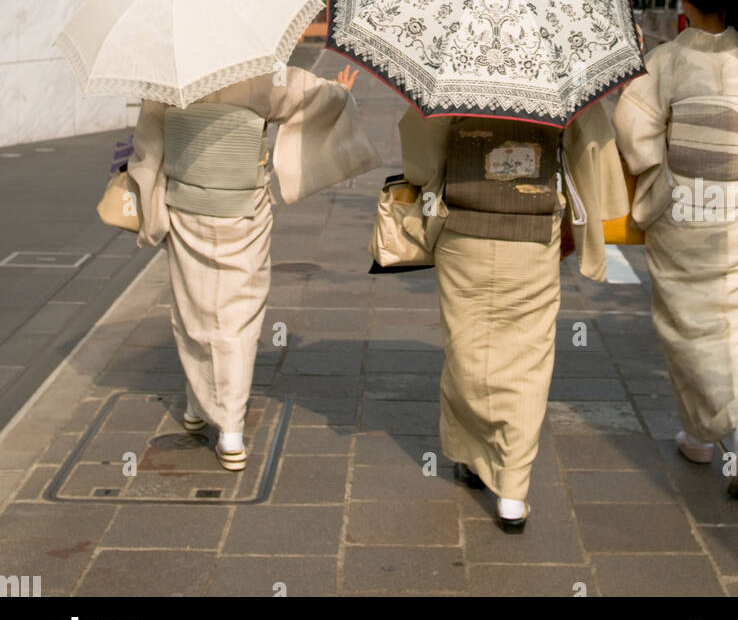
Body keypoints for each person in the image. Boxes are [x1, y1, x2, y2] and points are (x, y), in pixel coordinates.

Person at [127, 62, 381, 470]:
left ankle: (197, 403)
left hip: (187, 207)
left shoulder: (170, 75)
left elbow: (148, 145)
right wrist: (339, 89)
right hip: (241, 210)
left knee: (193, 306)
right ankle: (230, 430)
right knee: (238, 314)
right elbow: (314, 97)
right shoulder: (260, 73)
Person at [613, 0, 738, 497]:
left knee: (687, 323)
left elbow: (635, 133)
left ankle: (700, 433)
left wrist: (661, 177)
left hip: (683, 206)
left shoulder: (666, 60)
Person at [398, 102, 630, 531]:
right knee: (527, 358)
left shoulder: (456, 72)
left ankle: (471, 453)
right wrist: (584, 219)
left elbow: (421, 154)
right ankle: (512, 488)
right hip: (531, 233)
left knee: (466, 348)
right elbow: (590, 147)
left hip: (465, 229)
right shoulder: (560, 74)